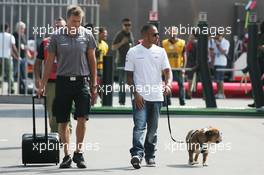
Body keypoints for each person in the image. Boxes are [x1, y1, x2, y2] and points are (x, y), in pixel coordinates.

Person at [37, 5, 97, 169]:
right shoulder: (56, 37)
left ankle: (79, 153)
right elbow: (49, 62)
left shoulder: (87, 35)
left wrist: (94, 83)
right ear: (67, 20)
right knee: (62, 120)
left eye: (79, 21)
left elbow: (92, 60)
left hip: (82, 81)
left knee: (82, 118)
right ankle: (67, 155)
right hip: (62, 81)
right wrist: (42, 84)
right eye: (73, 21)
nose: (76, 24)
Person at [125, 24, 172, 169]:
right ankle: (137, 155)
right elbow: (129, 77)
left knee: (153, 129)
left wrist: (168, 84)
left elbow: (167, 71)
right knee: (139, 127)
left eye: (157, 34)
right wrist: (136, 94)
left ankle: (150, 155)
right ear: (145, 35)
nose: (158, 37)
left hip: (157, 97)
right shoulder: (133, 52)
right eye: (155, 34)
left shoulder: (161, 51)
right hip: (140, 97)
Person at [34, 17, 72, 133]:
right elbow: (37, 64)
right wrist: (38, 79)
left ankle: (66, 134)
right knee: (52, 110)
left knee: (66, 109)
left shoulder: (72, 41)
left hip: (68, 80)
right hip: (51, 82)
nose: (58, 29)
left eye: (60, 26)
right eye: (56, 26)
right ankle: (55, 134)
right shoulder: (45, 42)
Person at [112, 18, 134, 105]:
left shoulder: (130, 34)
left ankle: (134, 101)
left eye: (129, 25)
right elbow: (113, 47)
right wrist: (122, 42)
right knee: (122, 82)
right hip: (121, 62)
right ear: (122, 25)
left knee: (132, 82)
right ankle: (122, 101)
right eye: (126, 25)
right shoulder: (120, 34)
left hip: (130, 62)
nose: (128, 27)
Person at [242, 21, 264, 107]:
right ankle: (257, 101)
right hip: (259, 60)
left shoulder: (258, 36)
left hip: (259, 60)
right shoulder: (259, 36)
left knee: (257, 81)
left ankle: (257, 101)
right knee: (257, 82)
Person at [162, 32, 186, 106]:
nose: (173, 34)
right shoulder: (164, 43)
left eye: (174, 32)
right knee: (167, 84)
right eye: (171, 32)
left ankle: (182, 101)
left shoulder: (182, 43)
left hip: (178, 68)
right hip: (167, 68)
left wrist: (183, 68)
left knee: (181, 84)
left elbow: (184, 55)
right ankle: (167, 101)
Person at [0, 24, 19, 94]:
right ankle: (11, 89)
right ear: (7, 28)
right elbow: (13, 47)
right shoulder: (10, 36)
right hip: (7, 57)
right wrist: (17, 55)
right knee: (9, 74)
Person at [13, 21, 31, 94]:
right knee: (16, 73)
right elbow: (12, 47)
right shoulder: (14, 35)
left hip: (23, 58)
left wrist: (29, 55)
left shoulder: (23, 36)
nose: (23, 30)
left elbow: (26, 47)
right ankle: (12, 88)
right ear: (18, 28)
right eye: (22, 28)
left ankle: (22, 89)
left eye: (24, 28)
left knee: (23, 74)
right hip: (16, 58)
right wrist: (16, 56)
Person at [212, 33, 230, 99]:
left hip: (222, 63)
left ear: (221, 36)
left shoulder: (226, 42)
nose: (216, 39)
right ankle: (218, 93)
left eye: (217, 38)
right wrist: (212, 63)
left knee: (220, 79)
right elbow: (213, 53)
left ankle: (222, 93)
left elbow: (224, 52)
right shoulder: (215, 42)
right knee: (216, 79)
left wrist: (218, 46)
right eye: (215, 38)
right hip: (216, 63)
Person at [96, 27, 109, 100]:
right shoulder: (94, 43)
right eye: (104, 34)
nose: (106, 35)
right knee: (97, 85)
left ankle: (102, 99)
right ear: (99, 34)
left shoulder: (106, 45)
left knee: (102, 85)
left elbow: (105, 56)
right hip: (95, 68)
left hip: (102, 68)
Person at [185, 33, 198, 99]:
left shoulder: (195, 43)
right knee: (190, 79)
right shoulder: (189, 43)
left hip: (192, 64)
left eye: (191, 36)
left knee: (191, 79)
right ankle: (189, 92)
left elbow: (196, 55)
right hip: (189, 64)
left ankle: (189, 93)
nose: (189, 37)